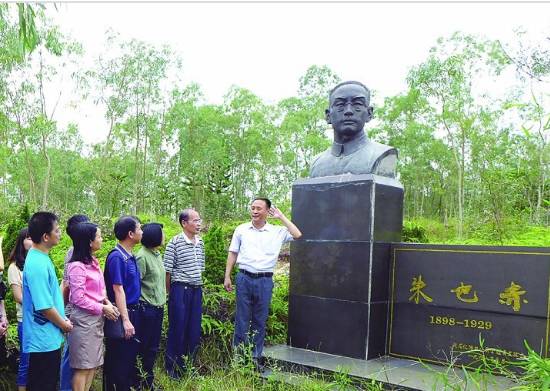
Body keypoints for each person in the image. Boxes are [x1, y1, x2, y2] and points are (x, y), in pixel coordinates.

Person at [224, 198, 302, 369]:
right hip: (244, 278)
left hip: (265, 280)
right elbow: (232, 253)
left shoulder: (277, 231)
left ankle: (255, 358)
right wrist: (227, 276)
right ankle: (239, 359)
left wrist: (281, 216)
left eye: (259, 208)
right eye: (252, 208)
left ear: (268, 211)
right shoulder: (242, 229)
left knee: (260, 320)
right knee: (242, 319)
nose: (255, 211)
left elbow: (297, 234)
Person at [22, 212, 73, 391]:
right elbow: (44, 306)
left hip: (48, 337)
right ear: (45, 236)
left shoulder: (42, 258)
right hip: (42, 340)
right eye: (57, 230)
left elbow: (50, 297)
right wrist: (64, 325)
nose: (60, 234)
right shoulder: (37, 263)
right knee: (43, 385)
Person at [67, 222, 119, 391]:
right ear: (89, 241)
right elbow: (77, 298)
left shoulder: (93, 262)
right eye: (99, 236)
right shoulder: (77, 266)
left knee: (92, 365)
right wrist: (103, 308)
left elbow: (99, 289)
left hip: (95, 321)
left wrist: (107, 302)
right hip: (83, 322)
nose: (101, 239)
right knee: (83, 367)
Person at [309, 81, 397, 178]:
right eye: (340, 105)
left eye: (357, 104)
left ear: (369, 113)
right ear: (328, 116)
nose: (348, 111)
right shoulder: (317, 163)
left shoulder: (383, 155)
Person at [103, 215, 143, 391]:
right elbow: (118, 290)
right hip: (121, 313)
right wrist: (125, 320)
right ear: (130, 234)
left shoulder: (129, 256)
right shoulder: (117, 257)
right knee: (118, 360)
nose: (142, 232)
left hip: (132, 310)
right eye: (139, 228)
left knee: (127, 359)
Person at [164, 209, 205, 378]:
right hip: (180, 290)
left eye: (199, 220)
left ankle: (188, 366)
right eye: (195, 220)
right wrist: (170, 293)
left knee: (194, 330)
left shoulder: (200, 242)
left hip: (196, 290)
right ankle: (173, 368)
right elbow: (167, 272)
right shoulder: (174, 243)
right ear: (184, 223)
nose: (198, 224)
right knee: (178, 329)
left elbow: (201, 268)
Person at [60, 214, 90, 391]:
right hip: (75, 312)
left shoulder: (81, 252)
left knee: (77, 357)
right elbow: (67, 285)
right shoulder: (74, 253)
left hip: (82, 312)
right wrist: (63, 312)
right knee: (71, 357)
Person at [135, 222, 166, 389]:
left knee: (153, 347)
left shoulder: (156, 254)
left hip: (158, 308)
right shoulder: (142, 256)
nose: (164, 236)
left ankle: (148, 381)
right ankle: (138, 382)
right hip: (146, 309)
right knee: (143, 347)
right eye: (162, 233)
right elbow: (135, 285)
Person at [7, 228, 33, 390]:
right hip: (26, 320)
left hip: (41, 320)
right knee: (26, 361)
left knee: (39, 362)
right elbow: (18, 297)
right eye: (28, 238)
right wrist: (41, 306)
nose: (31, 241)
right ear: (21, 242)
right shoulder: (14, 268)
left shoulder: (39, 262)